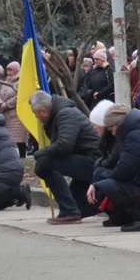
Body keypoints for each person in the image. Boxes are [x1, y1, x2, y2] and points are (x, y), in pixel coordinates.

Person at [85, 104, 140, 231]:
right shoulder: (135, 135)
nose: (112, 132)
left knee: (108, 185)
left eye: (111, 128)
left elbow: (124, 171)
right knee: (102, 177)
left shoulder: (135, 137)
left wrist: (97, 184)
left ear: (118, 125)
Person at [28, 90, 101, 224]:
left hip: (93, 161)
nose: (36, 117)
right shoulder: (60, 114)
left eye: (35, 114)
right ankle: (73, 210)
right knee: (77, 206)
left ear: (43, 111)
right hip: (86, 158)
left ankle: (69, 211)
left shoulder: (66, 114)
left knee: (45, 163)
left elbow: (64, 145)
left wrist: (40, 153)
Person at [0, 61, 28, 158]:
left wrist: (6, 105)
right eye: (8, 70)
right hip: (5, 115)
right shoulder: (6, 82)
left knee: (19, 139)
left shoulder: (21, 82)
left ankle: (22, 158)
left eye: (11, 71)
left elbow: (19, 97)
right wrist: (0, 103)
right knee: (8, 139)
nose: (9, 73)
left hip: (16, 116)